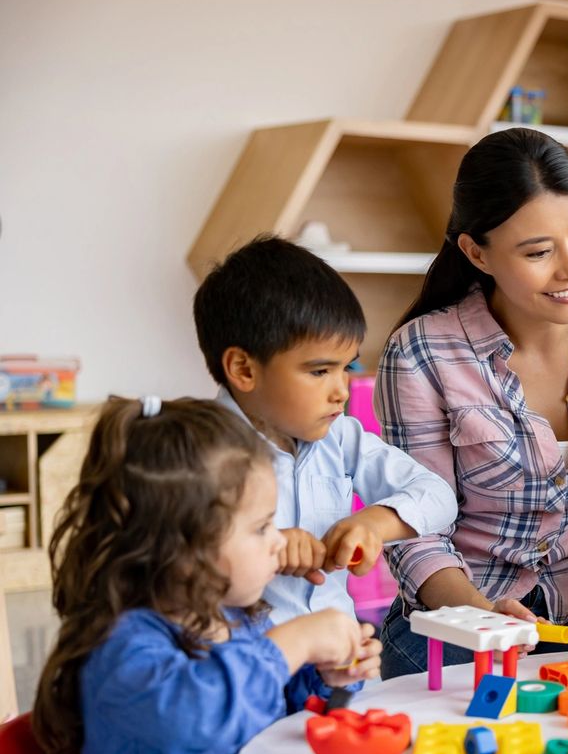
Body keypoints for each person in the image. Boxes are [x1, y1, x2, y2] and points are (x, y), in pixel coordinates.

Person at [30, 397, 452, 754]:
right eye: (260, 529)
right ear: (185, 550)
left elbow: (272, 714)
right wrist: (296, 640)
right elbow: (195, 717)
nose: (280, 541)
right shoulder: (125, 647)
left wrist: (330, 680)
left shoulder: (234, 621)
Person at [376, 127, 568, 678]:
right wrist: (481, 613)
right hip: (464, 616)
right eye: (539, 251)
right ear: (476, 252)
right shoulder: (422, 351)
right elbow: (415, 530)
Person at [193, 235, 458, 624]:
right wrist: (267, 545)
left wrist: (372, 523)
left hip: (337, 661)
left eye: (346, 368)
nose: (341, 390)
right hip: (247, 669)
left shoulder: (340, 437)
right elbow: (172, 561)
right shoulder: (195, 451)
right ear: (244, 370)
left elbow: (438, 496)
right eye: (319, 371)